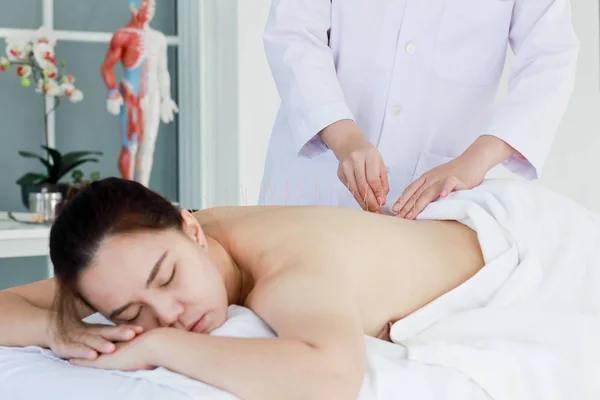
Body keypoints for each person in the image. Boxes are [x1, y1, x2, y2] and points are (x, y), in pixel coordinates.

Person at [0, 177, 487, 399]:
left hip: (510, 253)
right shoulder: (142, 255)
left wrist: (161, 345)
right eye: (129, 314)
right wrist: (53, 328)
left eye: (167, 278)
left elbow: (332, 380)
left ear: (192, 229)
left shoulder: (287, 273)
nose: (166, 311)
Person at [259, 0, 579, 219]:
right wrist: (344, 138)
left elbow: (549, 58)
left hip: (437, 200)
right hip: (316, 183)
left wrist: (475, 160)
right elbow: (294, 33)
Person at [100, 0, 179, 187]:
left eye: (152, 7)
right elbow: (107, 67)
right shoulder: (123, 35)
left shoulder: (159, 38)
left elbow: (162, 70)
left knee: (148, 144)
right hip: (131, 95)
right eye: (145, 6)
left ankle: (143, 190)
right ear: (133, 7)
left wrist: (165, 98)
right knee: (131, 145)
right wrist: (112, 91)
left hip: (153, 95)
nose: (149, 11)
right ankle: (128, 191)